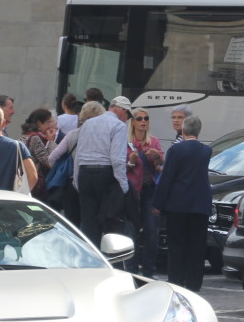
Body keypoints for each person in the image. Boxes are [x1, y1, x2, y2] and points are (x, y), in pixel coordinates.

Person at [156, 115, 213, 292]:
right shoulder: (206, 150)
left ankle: (177, 281)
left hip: (178, 204)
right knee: (196, 245)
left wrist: (158, 202)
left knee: (176, 244)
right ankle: (194, 282)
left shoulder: (176, 150)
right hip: (199, 203)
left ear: (183, 130)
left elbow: (168, 177)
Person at [73, 94, 131, 244]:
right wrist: (124, 187)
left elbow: (79, 154)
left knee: (88, 224)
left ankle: (90, 263)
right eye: (128, 115)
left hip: (85, 174)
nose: (127, 118)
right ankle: (108, 262)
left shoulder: (88, 123)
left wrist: (76, 179)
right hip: (105, 174)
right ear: (122, 111)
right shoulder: (119, 126)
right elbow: (117, 159)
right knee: (109, 222)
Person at [47, 100, 104, 224]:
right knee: (92, 223)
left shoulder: (72, 135)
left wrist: (60, 169)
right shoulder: (102, 136)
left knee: (73, 224)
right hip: (94, 182)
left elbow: (52, 157)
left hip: (71, 185)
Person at [126, 107, 165, 276]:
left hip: (150, 190)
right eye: (139, 118)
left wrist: (157, 157)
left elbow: (162, 167)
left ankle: (149, 271)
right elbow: (119, 167)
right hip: (132, 192)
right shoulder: (125, 142)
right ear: (132, 122)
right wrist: (131, 162)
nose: (143, 121)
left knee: (152, 232)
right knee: (131, 233)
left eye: (146, 118)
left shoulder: (154, 141)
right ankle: (131, 270)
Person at [20, 107, 58, 198]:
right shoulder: (35, 138)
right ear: (39, 123)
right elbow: (49, 162)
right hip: (36, 184)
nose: (50, 125)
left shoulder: (24, 136)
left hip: (24, 181)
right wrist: (51, 141)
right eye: (48, 122)